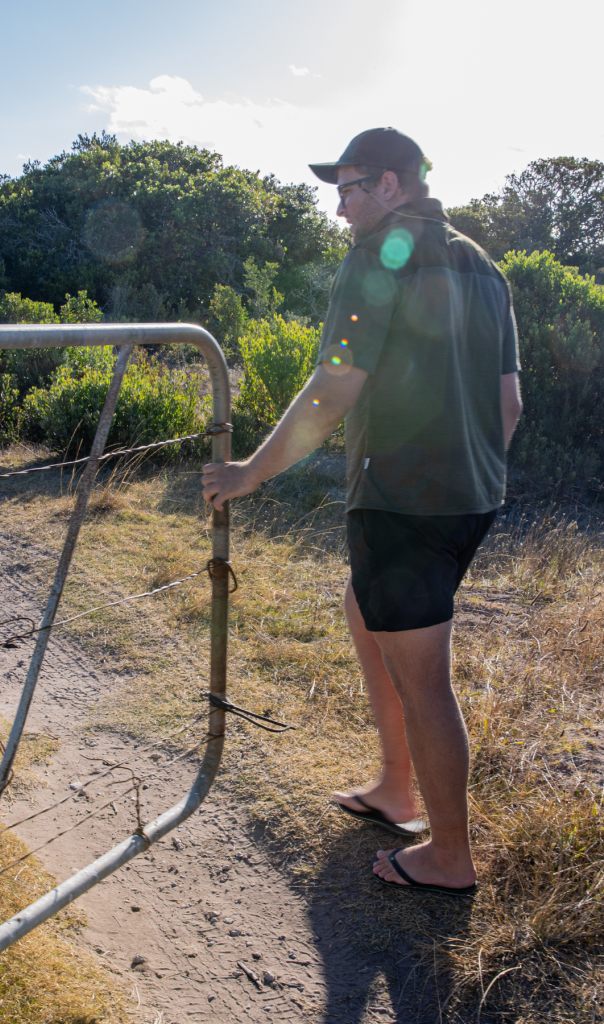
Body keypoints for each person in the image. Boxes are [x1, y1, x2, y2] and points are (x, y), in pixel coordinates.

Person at [201, 127, 522, 896]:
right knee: (361, 602)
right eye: (338, 190)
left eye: (350, 188)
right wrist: (468, 469)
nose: (340, 208)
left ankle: (448, 856)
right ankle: (393, 785)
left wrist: (249, 474)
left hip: (406, 500)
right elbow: (511, 403)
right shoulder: (485, 266)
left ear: (394, 185)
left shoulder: (381, 254)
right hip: (470, 496)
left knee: (425, 683)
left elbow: (333, 389)